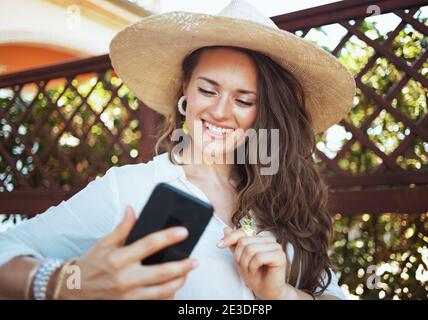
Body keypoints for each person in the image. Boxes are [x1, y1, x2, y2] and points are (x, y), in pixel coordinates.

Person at [0, 0, 355, 300]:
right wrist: (66, 281)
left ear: (263, 112)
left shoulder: (286, 196)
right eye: (208, 90)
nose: (219, 111)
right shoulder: (130, 188)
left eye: (244, 100)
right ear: (186, 89)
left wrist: (283, 294)